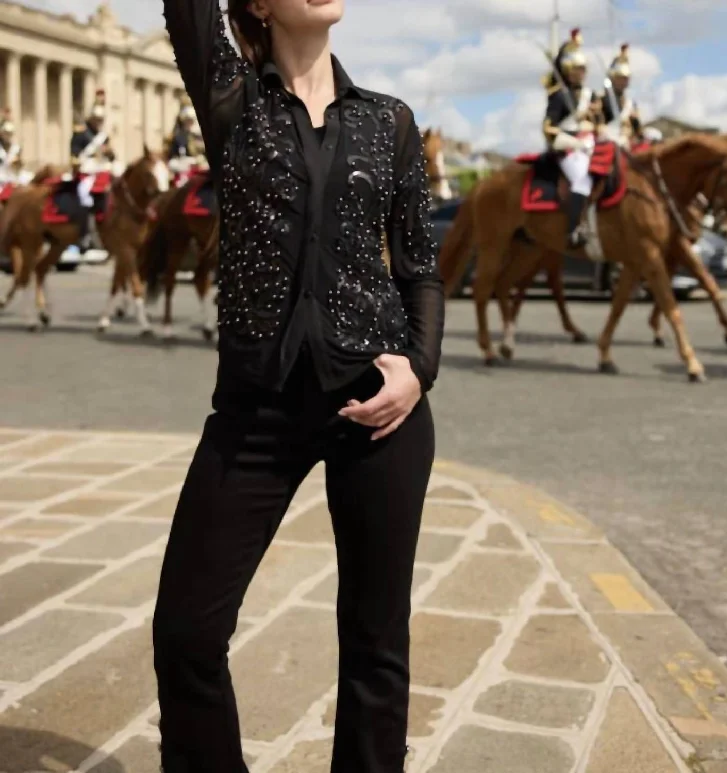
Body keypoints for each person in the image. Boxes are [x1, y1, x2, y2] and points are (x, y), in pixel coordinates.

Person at [154, 1, 444, 772]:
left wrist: (419, 368)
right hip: (256, 412)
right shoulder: (231, 100)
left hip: (380, 412)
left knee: (376, 642)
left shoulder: (391, 120)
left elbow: (421, 269)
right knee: (186, 633)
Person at [542, 28, 599, 248]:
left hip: (591, 144)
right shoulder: (557, 95)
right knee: (582, 180)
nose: (582, 73)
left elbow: (598, 122)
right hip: (568, 148)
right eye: (577, 69)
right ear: (567, 70)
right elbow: (548, 128)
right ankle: (573, 229)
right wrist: (576, 142)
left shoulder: (590, 95)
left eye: (583, 69)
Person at [70, 99, 115, 251]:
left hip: (102, 173)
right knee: (84, 198)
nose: (98, 122)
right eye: (96, 119)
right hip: (87, 173)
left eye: (100, 120)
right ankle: (83, 235)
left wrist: (109, 153)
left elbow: (111, 156)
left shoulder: (103, 136)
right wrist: (83, 161)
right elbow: (75, 154)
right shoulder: (81, 133)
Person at [596, 44, 641, 148]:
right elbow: (598, 124)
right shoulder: (603, 98)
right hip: (607, 141)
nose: (624, 81)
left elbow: (637, 130)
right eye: (621, 78)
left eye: (626, 78)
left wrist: (634, 121)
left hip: (626, 141)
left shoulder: (630, 103)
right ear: (614, 78)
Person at [167, 101, 207, 180]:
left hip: (201, 170)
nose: (190, 123)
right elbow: (171, 160)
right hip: (184, 172)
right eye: (188, 120)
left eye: (192, 120)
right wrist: (184, 164)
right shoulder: (178, 138)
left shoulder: (201, 137)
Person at [0, 109, 22, 185]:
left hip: (12, 179)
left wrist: (17, 162)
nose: (7, 136)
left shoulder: (16, 148)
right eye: (5, 134)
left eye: (9, 134)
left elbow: (19, 166)